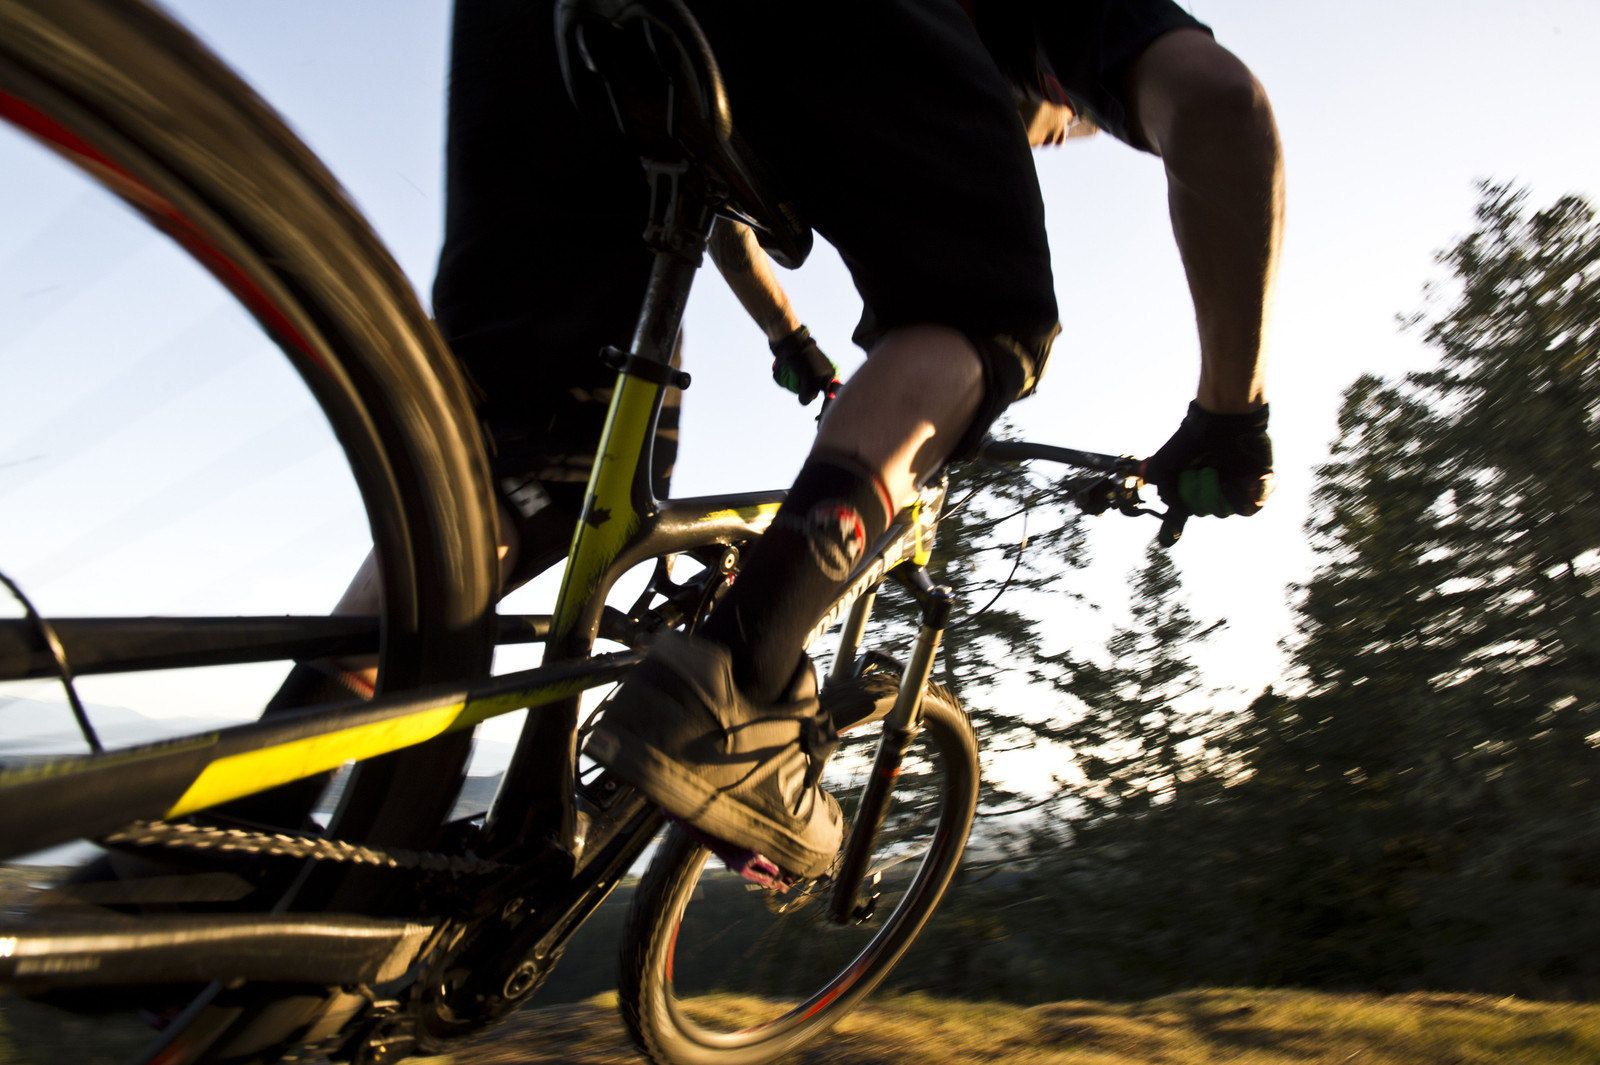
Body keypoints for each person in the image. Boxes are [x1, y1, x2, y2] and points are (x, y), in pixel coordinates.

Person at [435, 0, 1281, 881]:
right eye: (1070, 127)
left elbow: (723, 222)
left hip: (526, 29)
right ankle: (735, 684)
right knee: (986, 316)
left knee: (528, 472)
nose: (1055, 139)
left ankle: (349, 820)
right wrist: (1231, 419)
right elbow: (1218, 102)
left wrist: (792, 341)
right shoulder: (1025, 46)